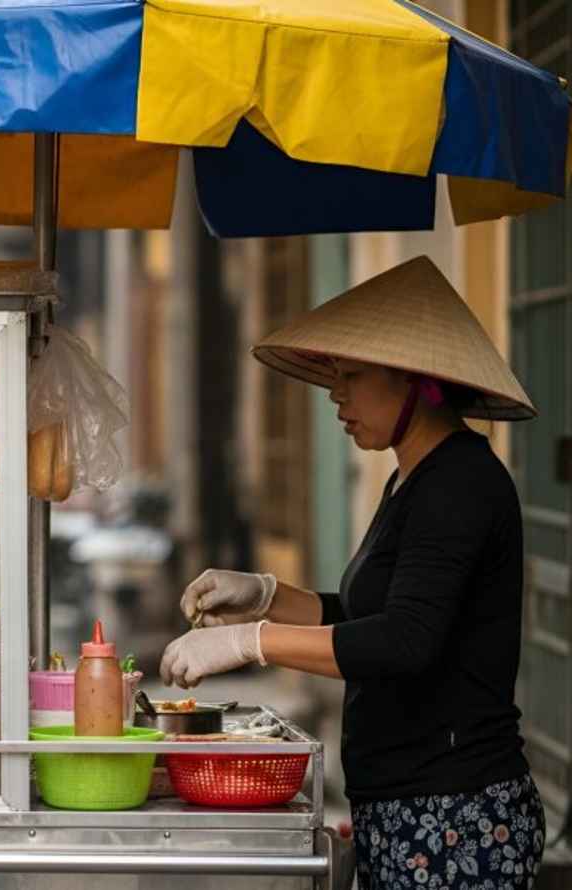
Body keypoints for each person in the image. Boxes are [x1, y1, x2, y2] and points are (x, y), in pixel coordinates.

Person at [160, 256, 545, 888]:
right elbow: (370, 613)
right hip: (401, 804)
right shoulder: (411, 479)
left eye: (354, 375)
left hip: (455, 817)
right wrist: (264, 596)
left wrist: (247, 643)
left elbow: (403, 639)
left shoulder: (461, 485)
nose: (337, 393)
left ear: (418, 381)